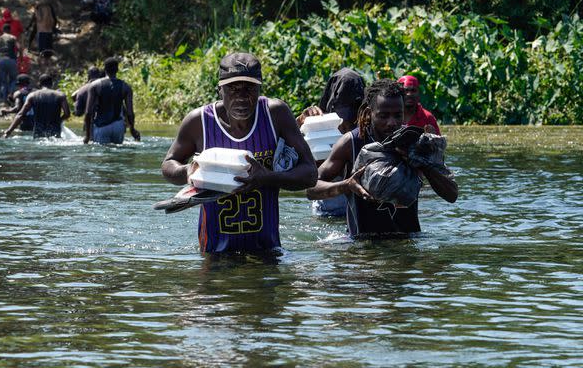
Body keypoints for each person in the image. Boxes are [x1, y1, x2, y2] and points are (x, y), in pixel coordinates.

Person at [161, 53, 317, 254]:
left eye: (249, 88)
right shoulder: (199, 121)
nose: (242, 97)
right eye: (232, 89)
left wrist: (267, 178)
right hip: (214, 252)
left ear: (260, 89)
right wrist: (188, 172)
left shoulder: (275, 114)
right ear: (220, 91)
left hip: (268, 250)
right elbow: (168, 164)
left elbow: (310, 174)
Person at [306, 79, 458, 238]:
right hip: (363, 246)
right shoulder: (351, 143)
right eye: (383, 116)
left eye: (398, 115)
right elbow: (311, 189)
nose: (392, 123)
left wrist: (423, 162)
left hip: (407, 243)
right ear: (368, 112)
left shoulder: (415, 141)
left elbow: (452, 195)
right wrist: (345, 186)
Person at [297, 67, 366, 218]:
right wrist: (301, 126)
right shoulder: (316, 125)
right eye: (342, 115)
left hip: (359, 212)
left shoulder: (370, 127)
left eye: (352, 115)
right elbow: (305, 176)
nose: (346, 123)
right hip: (328, 212)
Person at [83, 57, 140, 144]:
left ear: (104, 69)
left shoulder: (94, 85)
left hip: (101, 126)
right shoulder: (126, 87)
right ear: (117, 69)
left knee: (103, 155)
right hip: (118, 126)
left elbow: (88, 112)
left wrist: (87, 135)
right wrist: (132, 130)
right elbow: (130, 113)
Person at [3, 74, 71, 139]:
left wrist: (9, 131)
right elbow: (67, 114)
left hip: (38, 132)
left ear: (39, 84)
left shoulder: (32, 95)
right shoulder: (60, 95)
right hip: (55, 130)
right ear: (52, 83)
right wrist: (58, 120)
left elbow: (20, 114)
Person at [0, 23, 20, 101]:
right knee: (13, 79)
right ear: (10, 30)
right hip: (11, 60)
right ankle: (11, 93)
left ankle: (4, 99)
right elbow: (19, 48)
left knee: (3, 81)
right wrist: (20, 57)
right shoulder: (13, 37)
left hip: (1, 60)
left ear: (3, 30)